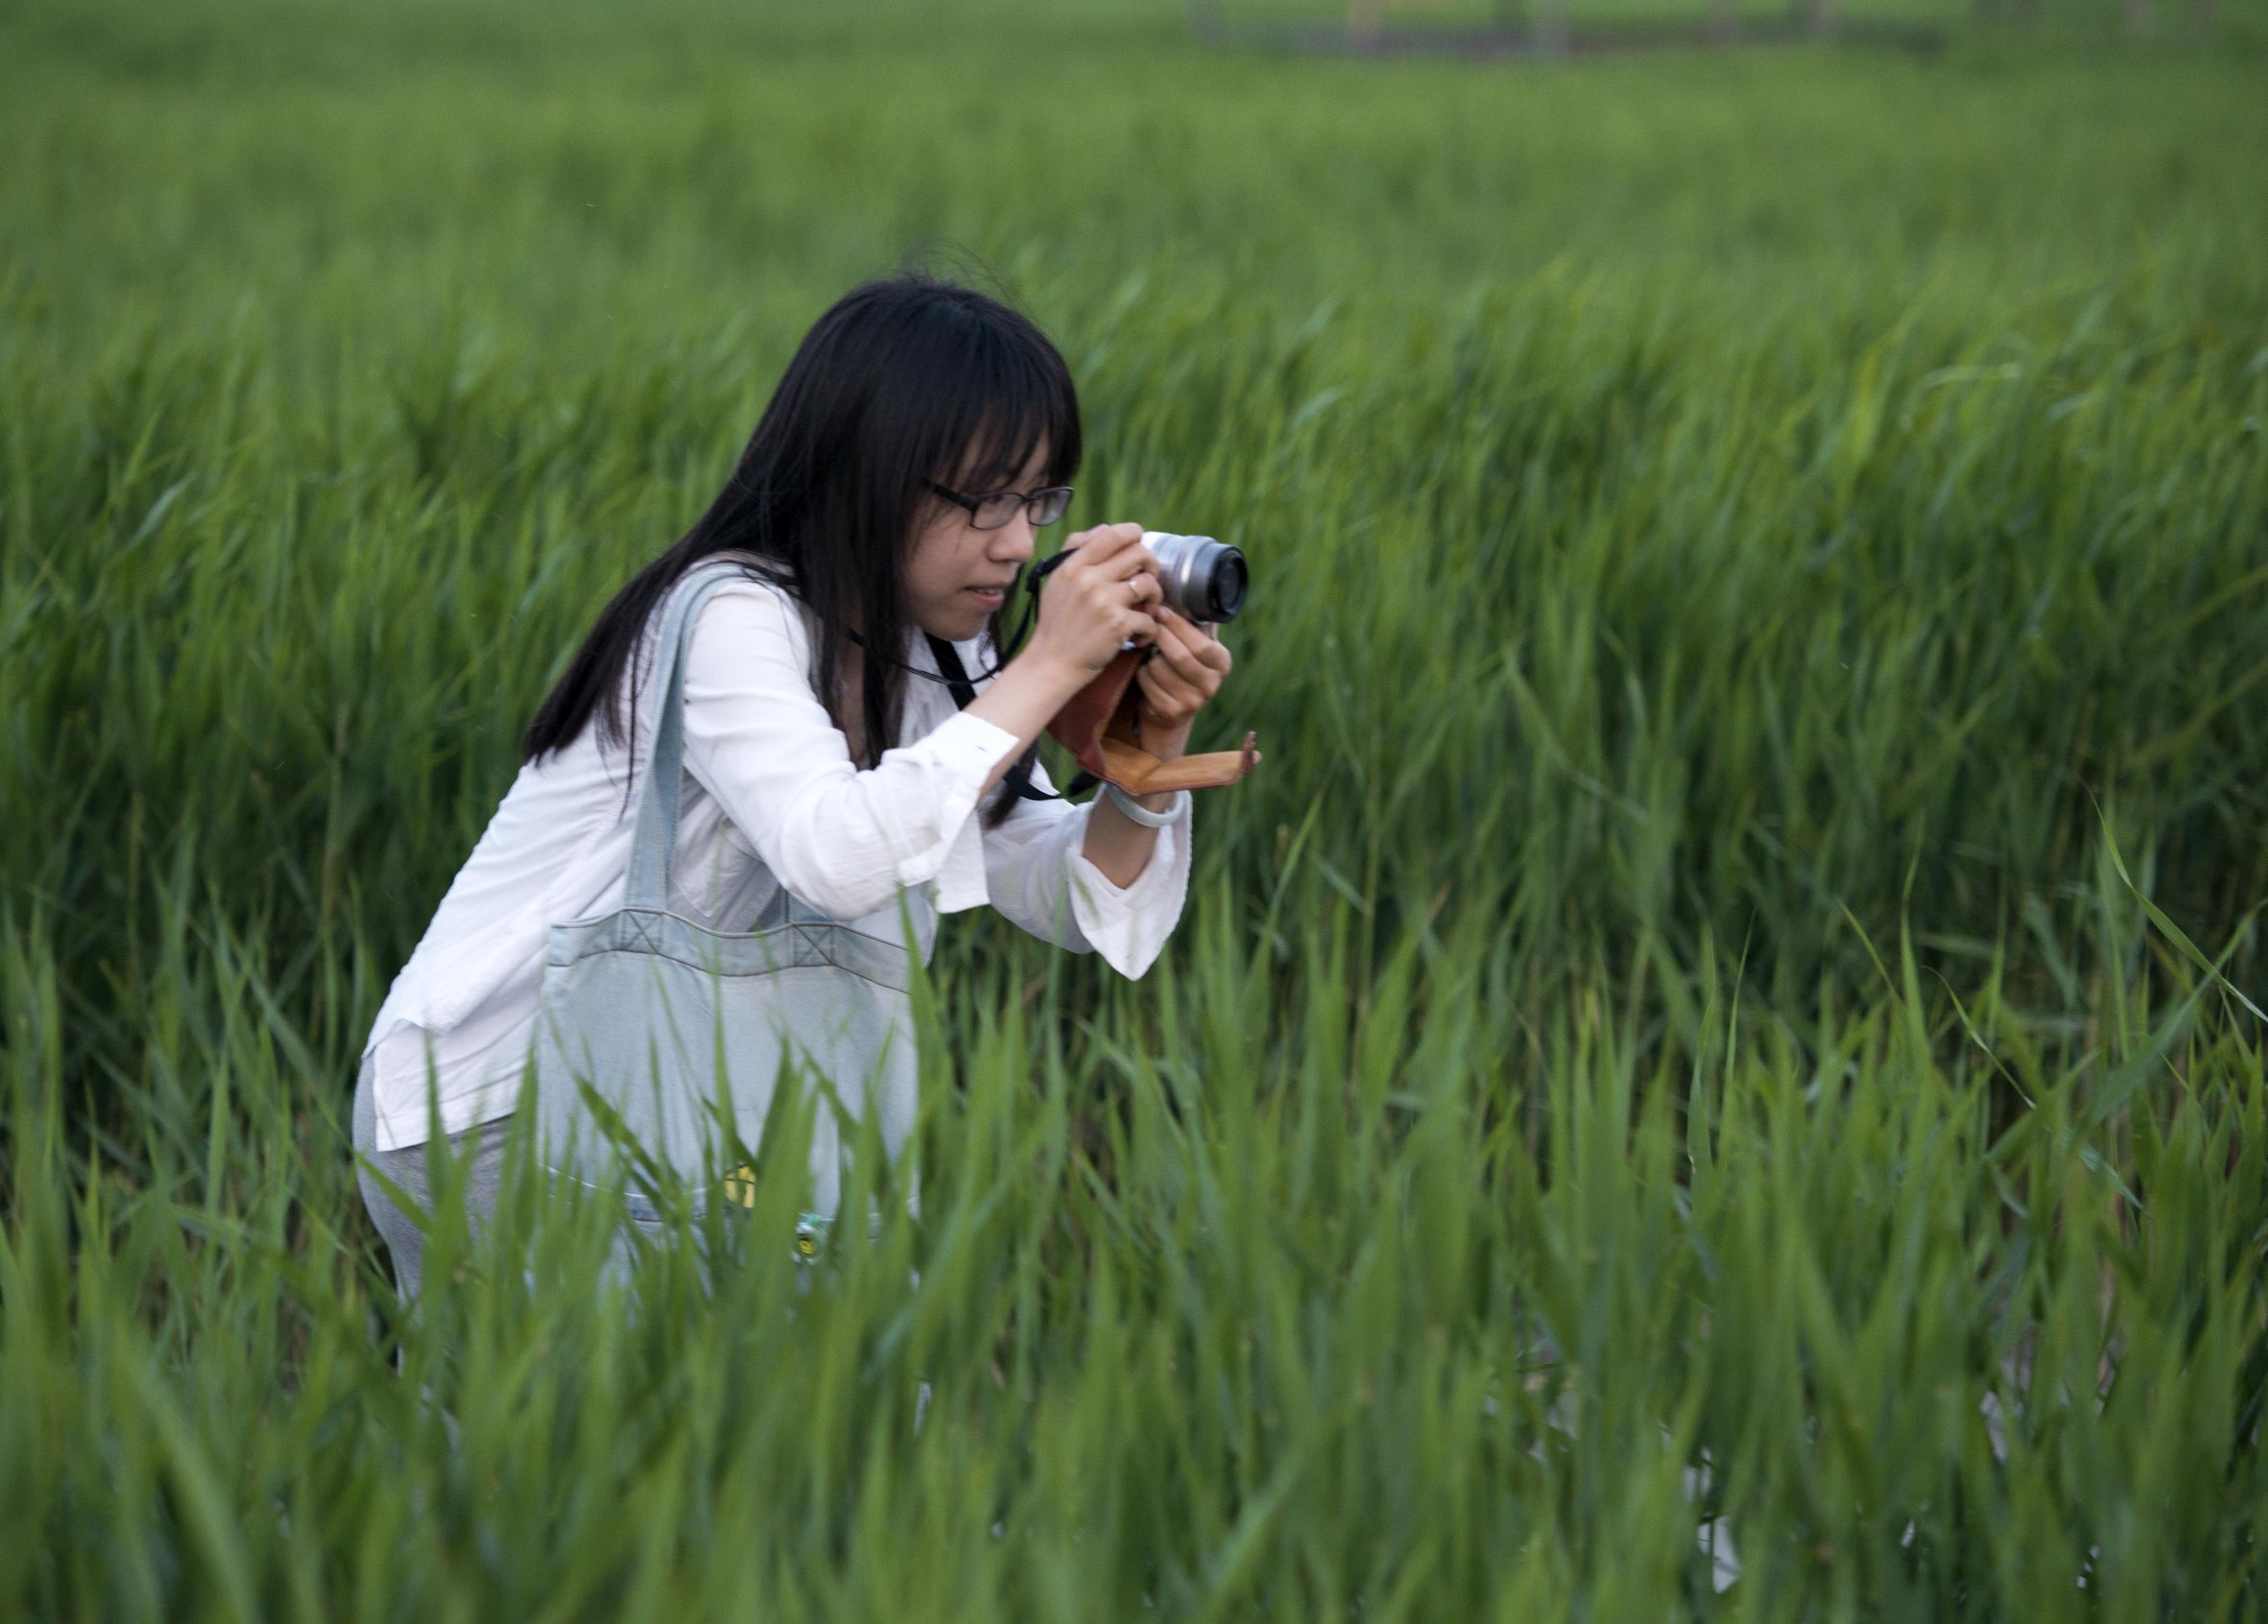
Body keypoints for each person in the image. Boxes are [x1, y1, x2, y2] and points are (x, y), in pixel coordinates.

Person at [351, 272, 1239, 1297]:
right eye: (984, 499)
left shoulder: (932, 654)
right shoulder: (731, 613)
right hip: (510, 1099)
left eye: (1039, 499)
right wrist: (1044, 670)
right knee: (611, 1441)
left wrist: (1142, 757)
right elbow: (838, 853)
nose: (1017, 542)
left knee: (800, 1415)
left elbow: (1060, 894)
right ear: (864, 473)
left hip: (691, 1100)